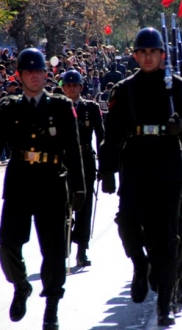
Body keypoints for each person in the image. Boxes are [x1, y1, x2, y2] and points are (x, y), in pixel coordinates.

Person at [0, 48, 86, 330]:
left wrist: (79, 186)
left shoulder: (60, 106)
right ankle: (21, 285)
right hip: (20, 183)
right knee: (8, 243)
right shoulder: (11, 107)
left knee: (53, 250)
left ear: (46, 75)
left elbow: (73, 150)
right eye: (29, 72)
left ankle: (52, 307)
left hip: (51, 183)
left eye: (39, 72)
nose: (35, 77)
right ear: (20, 75)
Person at [98, 27, 182, 326]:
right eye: (142, 52)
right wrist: (107, 170)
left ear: (162, 55)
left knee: (167, 238)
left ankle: (165, 304)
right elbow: (112, 134)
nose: (148, 57)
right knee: (127, 222)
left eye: (153, 52)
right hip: (136, 164)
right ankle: (140, 265)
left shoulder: (178, 87)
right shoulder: (125, 88)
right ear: (135, 55)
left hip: (168, 167)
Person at [61, 69, 104, 267]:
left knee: (84, 207)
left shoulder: (91, 108)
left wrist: (104, 164)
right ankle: (65, 242)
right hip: (63, 162)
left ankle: (82, 250)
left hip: (85, 159)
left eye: (75, 85)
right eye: (68, 85)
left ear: (81, 87)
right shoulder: (57, 107)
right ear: (63, 88)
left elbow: (101, 137)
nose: (71, 88)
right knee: (63, 206)